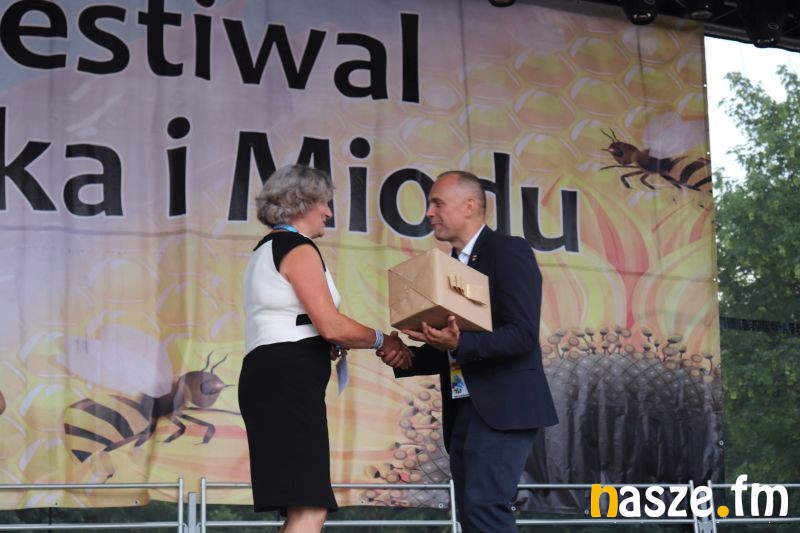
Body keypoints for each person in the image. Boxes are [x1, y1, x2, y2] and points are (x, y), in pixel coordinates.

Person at [238, 164, 412, 533]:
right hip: (287, 380)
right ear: (300, 203)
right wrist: (383, 340)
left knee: (301, 505)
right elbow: (330, 324)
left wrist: (323, 345)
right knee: (310, 507)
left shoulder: (266, 249)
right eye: (324, 203)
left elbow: (299, 323)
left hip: (271, 376)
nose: (329, 213)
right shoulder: (297, 248)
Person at [386, 170, 558, 533]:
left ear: (469, 206)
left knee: (484, 506)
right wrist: (408, 356)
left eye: (437, 203)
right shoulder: (448, 266)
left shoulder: (507, 250)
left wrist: (459, 343)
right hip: (464, 406)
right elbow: (453, 343)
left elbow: (522, 335)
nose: (429, 213)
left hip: (504, 406)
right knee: (470, 511)